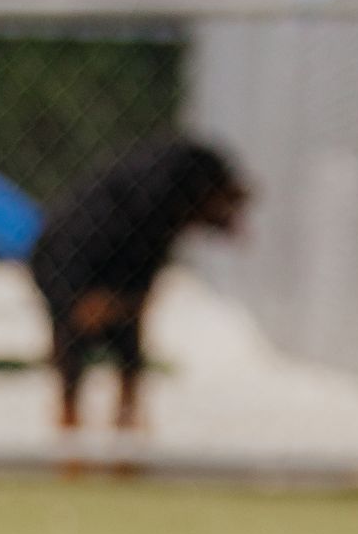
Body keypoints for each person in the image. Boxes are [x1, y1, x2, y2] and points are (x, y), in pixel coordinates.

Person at [28, 135, 250, 436]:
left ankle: (124, 431)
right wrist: (75, 297)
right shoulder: (122, 210)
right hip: (72, 267)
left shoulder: (153, 215)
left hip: (110, 263)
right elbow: (64, 260)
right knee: (76, 340)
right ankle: (71, 432)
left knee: (128, 343)